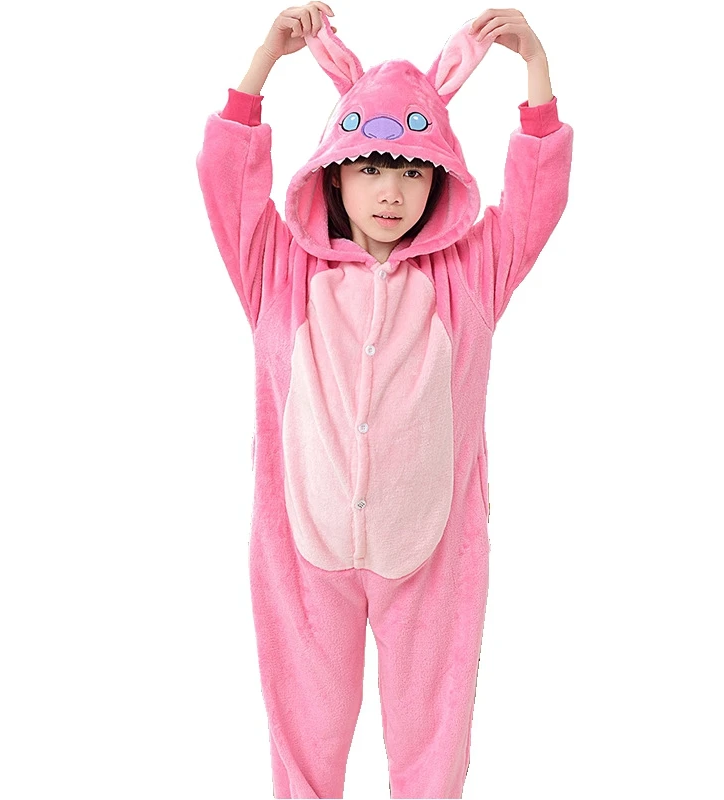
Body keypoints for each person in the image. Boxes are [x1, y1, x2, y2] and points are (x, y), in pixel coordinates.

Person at [195, 4, 573, 797]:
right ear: (334, 172)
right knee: (303, 745)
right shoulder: (277, 268)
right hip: (303, 550)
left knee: (432, 746)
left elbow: (534, 202)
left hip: (432, 551)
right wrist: (264, 61)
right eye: (370, 168)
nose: (391, 191)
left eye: (412, 170)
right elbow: (228, 180)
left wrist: (536, 70)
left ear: (440, 178)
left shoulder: (469, 275)